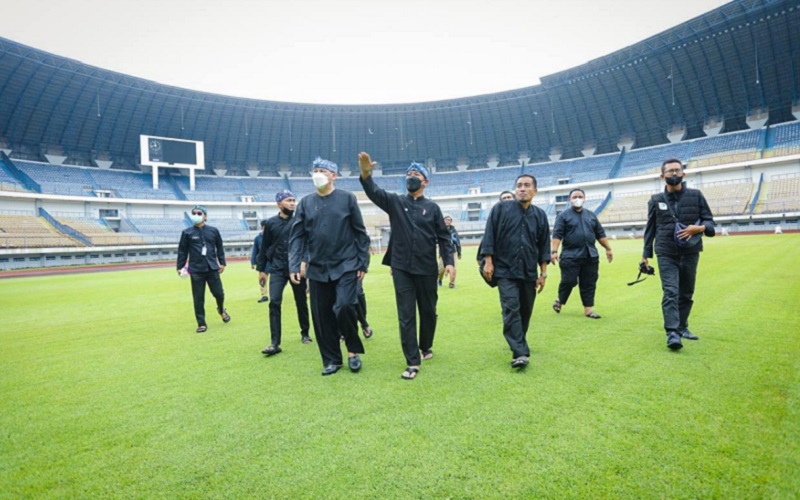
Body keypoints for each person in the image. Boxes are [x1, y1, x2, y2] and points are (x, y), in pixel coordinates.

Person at [358, 152, 454, 380]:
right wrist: (365, 173)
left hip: (427, 268)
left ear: (425, 181)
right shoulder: (395, 202)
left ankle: (426, 345)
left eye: (416, 174)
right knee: (406, 315)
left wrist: (448, 261)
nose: (411, 177)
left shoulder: (433, 208)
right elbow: (374, 192)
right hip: (401, 268)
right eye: (408, 174)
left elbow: (444, 237)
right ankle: (412, 361)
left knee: (429, 312)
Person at [289, 158, 370, 375]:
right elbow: (297, 236)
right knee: (321, 316)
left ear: (334, 175)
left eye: (322, 171)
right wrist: (295, 264)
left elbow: (360, 233)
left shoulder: (347, 199)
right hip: (317, 267)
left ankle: (353, 351)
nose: (317, 174)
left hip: (346, 264)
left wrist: (363, 262)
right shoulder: (305, 203)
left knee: (343, 306)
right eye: (315, 170)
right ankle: (333, 360)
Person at [642, 159, 715, 351]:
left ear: (683, 173)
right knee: (671, 291)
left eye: (677, 170)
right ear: (662, 176)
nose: (674, 173)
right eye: (669, 171)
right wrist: (645, 254)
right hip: (665, 252)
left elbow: (710, 223)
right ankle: (672, 332)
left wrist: (697, 228)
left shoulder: (696, 195)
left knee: (686, 292)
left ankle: (683, 327)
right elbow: (650, 229)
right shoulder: (655, 200)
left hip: (691, 251)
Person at [479, 174, 550, 369]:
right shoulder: (500, 209)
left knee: (525, 311)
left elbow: (544, 245)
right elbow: (489, 235)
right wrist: (488, 261)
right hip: (504, 270)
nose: (522, 188)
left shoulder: (540, 215)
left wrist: (543, 273)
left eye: (527, 185)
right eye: (519, 185)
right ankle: (520, 352)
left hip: (528, 271)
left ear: (535, 190)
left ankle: (519, 341)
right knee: (511, 309)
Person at [257, 190, 312, 356]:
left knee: (301, 301)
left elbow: (307, 244)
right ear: (279, 204)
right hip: (277, 269)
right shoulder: (271, 223)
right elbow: (264, 248)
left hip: (296, 269)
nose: (292, 203)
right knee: (274, 302)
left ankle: (305, 333)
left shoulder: (300, 221)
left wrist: (304, 263)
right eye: (288, 200)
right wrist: (261, 271)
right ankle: (275, 342)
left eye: (294, 200)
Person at [551, 188, 613, 319]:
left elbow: (600, 234)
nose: (577, 199)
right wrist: (554, 251)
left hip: (590, 256)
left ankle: (588, 310)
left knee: (589, 282)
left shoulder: (591, 215)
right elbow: (557, 235)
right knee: (569, 281)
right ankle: (560, 300)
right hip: (570, 256)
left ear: (584, 199)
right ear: (570, 199)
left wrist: (608, 248)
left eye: (580, 196)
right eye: (574, 197)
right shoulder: (563, 216)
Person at [176, 205, 230, 333]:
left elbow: (220, 248)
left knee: (219, 293)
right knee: (198, 297)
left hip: (212, 268)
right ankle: (201, 323)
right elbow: (182, 251)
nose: (196, 215)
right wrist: (180, 267)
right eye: (193, 213)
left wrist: (222, 263)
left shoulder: (213, 231)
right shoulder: (187, 233)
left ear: (205, 216)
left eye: (199, 213)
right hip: (195, 270)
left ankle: (221, 310)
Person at [438, 215, 462, 288]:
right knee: (441, 268)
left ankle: (452, 284)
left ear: (451, 222)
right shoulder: (440, 230)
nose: (447, 221)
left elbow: (457, 242)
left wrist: (459, 252)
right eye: (446, 220)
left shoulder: (453, 231)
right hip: (443, 252)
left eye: (449, 220)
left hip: (452, 252)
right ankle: (439, 280)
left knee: (453, 268)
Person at [250, 219, 270, 303]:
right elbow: (255, 250)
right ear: (262, 227)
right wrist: (253, 262)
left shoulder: (274, 237)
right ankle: (264, 295)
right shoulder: (257, 238)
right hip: (262, 262)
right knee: (262, 279)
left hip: (273, 260)